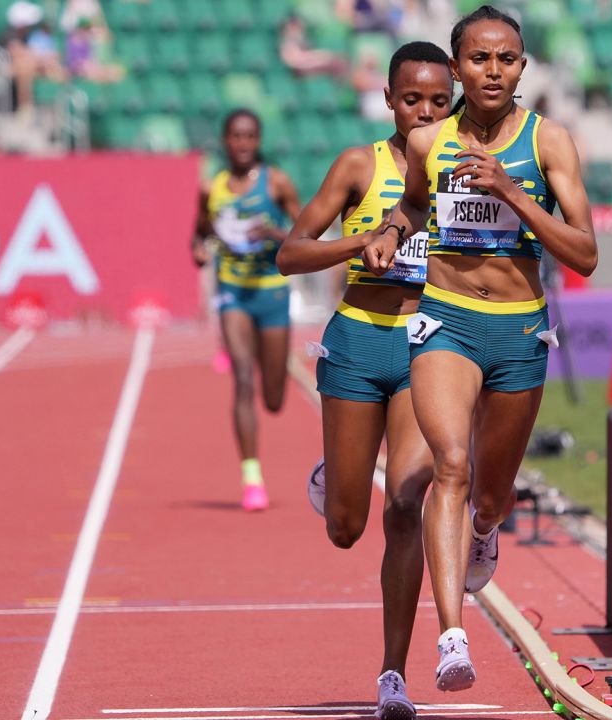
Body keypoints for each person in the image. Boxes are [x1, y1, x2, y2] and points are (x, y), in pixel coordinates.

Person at [358, 5, 597, 692]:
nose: (494, 70)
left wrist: (514, 192)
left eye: (508, 58)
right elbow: (409, 206)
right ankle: (453, 637)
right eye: (480, 58)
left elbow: (584, 254)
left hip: (519, 329)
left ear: (522, 66)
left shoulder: (549, 143)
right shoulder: (430, 141)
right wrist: (389, 233)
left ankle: (486, 530)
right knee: (450, 466)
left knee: (488, 497)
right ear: (458, 65)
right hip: (446, 320)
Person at [277, 41, 454, 719]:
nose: (425, 112)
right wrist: (365, 240)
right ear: (388, 100)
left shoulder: (463, 170)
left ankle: (393, 675)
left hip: (426, 346)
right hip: (355, 341)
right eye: (412, 99)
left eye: (440, 101)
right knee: (348, 526)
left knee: (406, 506)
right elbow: (290, 253)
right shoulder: (359, 165)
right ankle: (337, 470)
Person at [191, 110, 302, 511]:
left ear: (258, 141)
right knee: (241, 377)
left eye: (250, 136)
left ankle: (269, 377)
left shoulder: (276, 182)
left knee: (272, 399)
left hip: (271, 294)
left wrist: (272, 233)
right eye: (235, 136)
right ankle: (252, 478)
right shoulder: (212, 188)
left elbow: (307, 232)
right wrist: (199, 251)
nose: (242, 144)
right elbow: (199, 232)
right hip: (233, 291)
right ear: (225, 140)